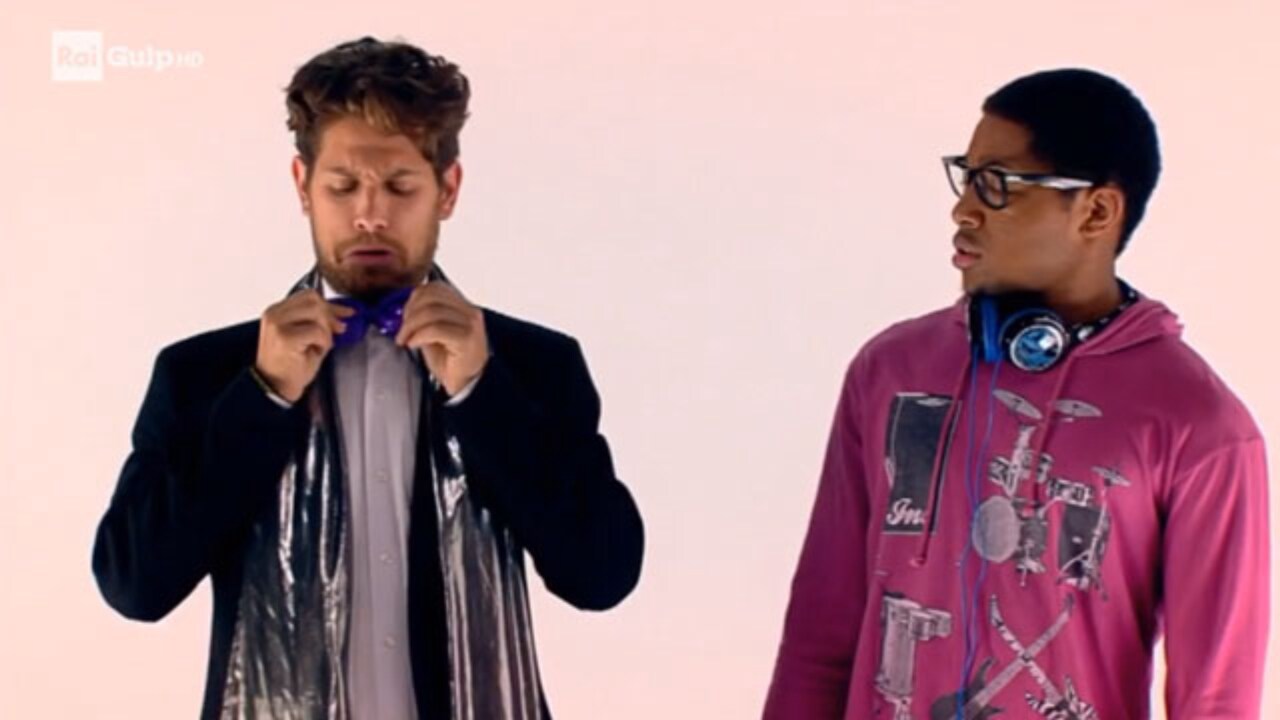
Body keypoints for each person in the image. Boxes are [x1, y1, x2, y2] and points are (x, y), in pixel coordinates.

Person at [92, 36, 644, 720]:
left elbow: (601, 577)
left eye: (400, 187)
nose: (370, 215)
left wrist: (482, 394)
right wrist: (262, 397)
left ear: (448, 190)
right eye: (343, 187)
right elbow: (135, 586)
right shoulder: (203, 375)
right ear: (302, 187)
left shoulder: (534, 366)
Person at [763, 68, 1269, 719]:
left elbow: (1217, 700)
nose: (963, 210)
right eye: (967, 177)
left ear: (1096, 211)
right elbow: (818, 637)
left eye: (998, 184)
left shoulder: (1200, 427)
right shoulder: (891, 370)